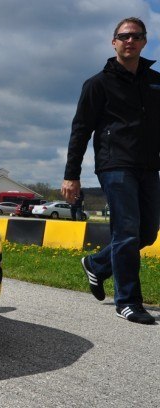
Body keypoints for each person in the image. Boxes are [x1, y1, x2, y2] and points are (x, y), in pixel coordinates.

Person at [61, 17, 160, 325]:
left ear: (144, 42)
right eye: (123, 36)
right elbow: (81, 130)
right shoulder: (97, 83)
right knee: (127, 229)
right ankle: (128, 301)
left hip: (148, 165)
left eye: (136, 36)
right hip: (115, 164)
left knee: (147, 232)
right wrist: (71, 174)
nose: (129, 41)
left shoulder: (155, 82)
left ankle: (97, 264)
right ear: (113, 42)